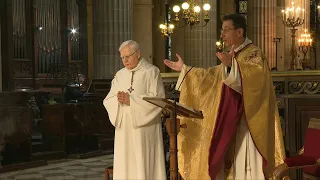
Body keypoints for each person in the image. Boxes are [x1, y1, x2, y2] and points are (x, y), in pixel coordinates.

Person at [164, 14, 285, 180]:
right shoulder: (232, 54)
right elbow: (212, 77)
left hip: (248, 122)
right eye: (222, 31)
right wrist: (185, 69)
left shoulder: (254, 54)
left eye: (226, 30)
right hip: (229, 120)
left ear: (240, 32)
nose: (222, 35)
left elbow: (255, 83)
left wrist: (232, 66)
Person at [103, 40, 166, 179]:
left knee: (144, 163)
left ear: (138, 53)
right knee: (126, 162)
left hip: (145, 129)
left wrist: (132, 100)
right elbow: (108, 99)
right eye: (122, 58)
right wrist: (117, 100)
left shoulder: (152, 72)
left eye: (128, 56)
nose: (125, 61)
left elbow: (159, 100)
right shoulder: (120, 75)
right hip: (124, 128)